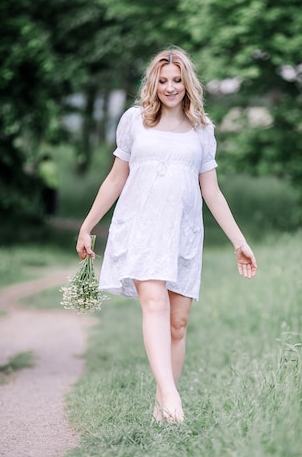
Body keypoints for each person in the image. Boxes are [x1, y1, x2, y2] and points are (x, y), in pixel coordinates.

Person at [76, 47, 257, 424]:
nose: (170, 88)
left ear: (187, 83)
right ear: (153, 83)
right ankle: (173, 398)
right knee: (154, 306)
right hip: (141, 227)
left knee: (178, 323)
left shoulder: (202, 129)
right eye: (163, 81)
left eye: (177, 80)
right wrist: (88, 225)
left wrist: (239, 241)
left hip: (183, 233)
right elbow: (116, 177)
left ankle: (163, 408)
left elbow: (212, 190)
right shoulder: (134, 121)